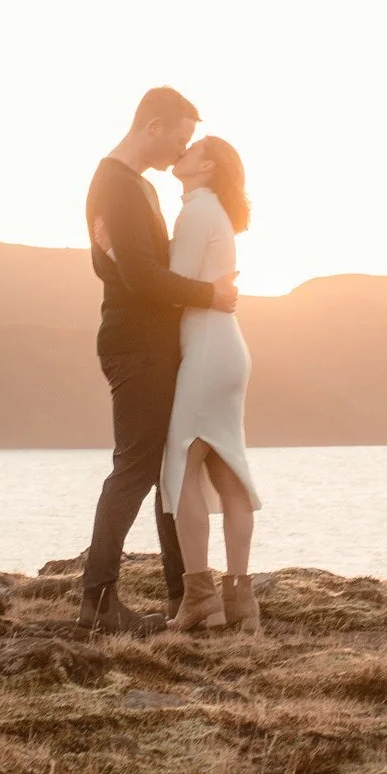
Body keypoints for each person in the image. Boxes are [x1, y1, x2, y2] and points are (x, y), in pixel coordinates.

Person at [78, 88, 238, 635]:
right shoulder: (116, 186)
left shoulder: (139, 185)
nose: (181, 148)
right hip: (136, 345)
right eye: (180, 137)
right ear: (152, 127)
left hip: (152, 343)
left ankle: (184, 595)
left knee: (170, 467)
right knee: (138, 467)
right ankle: (97, 600)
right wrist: (209, 296)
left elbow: (147, 267)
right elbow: (139, 277)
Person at [161, 136, 260, 633]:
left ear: (206, 165)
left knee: (182, 463)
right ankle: (241, 600)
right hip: (228, 349)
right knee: (226, 468)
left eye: (191, 147)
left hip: (205, 348)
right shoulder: (216, 211)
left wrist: (117, 255)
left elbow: (172, 284)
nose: (181, 151)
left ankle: (200, 597)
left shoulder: (197, 210)